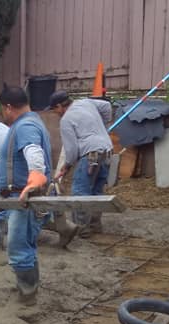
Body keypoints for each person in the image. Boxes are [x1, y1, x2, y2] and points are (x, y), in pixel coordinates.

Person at [0, 86, 55, 304]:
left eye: (2, 109)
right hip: (18, 198)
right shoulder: (28, 122)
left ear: (8, 107)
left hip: (24, 200)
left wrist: (36, 175)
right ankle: (28, 288)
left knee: (18, 247)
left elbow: (32, 150)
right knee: (23, 245)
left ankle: (28, 295)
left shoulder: (26, 125)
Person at [50, 91, 114, 237]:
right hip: (107, 150)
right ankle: (95, 226)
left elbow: (71, 150)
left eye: (54, 110)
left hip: (91, 154)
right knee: (96, 191)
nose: (55, 113)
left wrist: (67, 166)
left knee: (80, 192)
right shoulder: (86, 102)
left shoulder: (66, 120)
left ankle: (81, 230)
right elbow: (107, 106)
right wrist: (103, 127)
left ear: (59, 106)